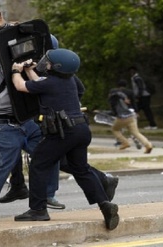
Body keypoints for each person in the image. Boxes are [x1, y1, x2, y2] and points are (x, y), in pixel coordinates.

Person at [11, 48, 119, 230]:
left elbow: (21, 86)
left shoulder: (51, 83)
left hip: (63, 132)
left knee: (38, 164)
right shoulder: (69, 81)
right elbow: (39, 83)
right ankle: (105, 205)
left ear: (57, 67)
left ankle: (38, 210)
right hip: (81, 130)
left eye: (49, 62)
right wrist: (30, 70)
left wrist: (16, 70)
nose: (46, 63)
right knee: (81, 169)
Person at [0, 12, 55, 222]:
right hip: (2, 122)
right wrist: (3, 29)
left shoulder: (22, 65)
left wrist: (20, 29)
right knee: (3, 165)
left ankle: (48, 195)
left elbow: (50, 41)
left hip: (26, 120)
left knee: (48, 154)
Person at [108, 79, 153, 153]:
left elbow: (117, 94)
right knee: (136, 132)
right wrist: (136, 111)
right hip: (132, 115)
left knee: (115, 129)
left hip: (122, 117)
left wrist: (123, 98)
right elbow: (134, 102)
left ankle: (125, 142)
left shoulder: (114, 97)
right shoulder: (129, 93)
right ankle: (148, 145)